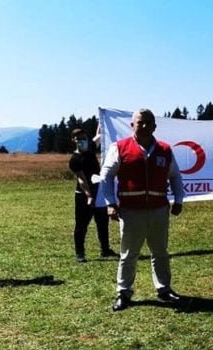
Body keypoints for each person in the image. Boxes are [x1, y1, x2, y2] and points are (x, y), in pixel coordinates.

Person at [101, 109, 185, 311]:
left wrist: (179, 199)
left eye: (149, 122)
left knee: (160, 252)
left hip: (159, 209)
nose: (145, 126)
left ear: (155, 126)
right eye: (140, 122)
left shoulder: (165, 149)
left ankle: (164, 289)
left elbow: (175, 175)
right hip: (131, 211)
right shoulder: (120, 147)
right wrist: (110, 203)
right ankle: (124, 292)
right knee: (129, 254)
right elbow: (106, 176)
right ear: (132, 125)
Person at [68, 128, 117, 262]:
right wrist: (89, 196)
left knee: (102, 222)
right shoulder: (74, 160)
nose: (81, 141)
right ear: (73, 140)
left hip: (99, 192)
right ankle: (80, 253)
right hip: (83, 195)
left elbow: (99, 134)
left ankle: (105, 250)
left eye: (84, 138)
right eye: (78, 139)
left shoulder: (90, 149)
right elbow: (81, 179)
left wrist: (101, 121)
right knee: (81, 225)